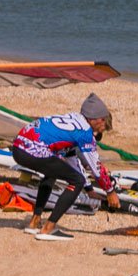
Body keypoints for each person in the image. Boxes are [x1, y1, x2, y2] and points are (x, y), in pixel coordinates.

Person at [11, 94, 119, 241]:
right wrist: (110, 191)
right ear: (100, 119)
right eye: (102, 129)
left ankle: (34, 222)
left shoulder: (73, 118)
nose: (99, 133)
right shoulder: (85, 132)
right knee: (77, 181)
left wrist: (89, 190)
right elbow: (96, 167)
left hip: (18, 147)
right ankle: (48, 229)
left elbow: (71, 159)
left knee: (52, 173)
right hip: (33, 150)